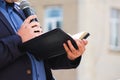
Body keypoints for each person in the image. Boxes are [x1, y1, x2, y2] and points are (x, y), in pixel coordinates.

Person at [0, 0, 88, 80]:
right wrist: (19, 39)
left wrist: (70, 55)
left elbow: (41, 56)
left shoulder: (21, 11)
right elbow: (19, 42)